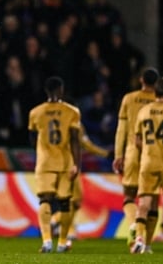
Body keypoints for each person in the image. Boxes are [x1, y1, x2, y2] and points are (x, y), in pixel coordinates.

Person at [130, 77, 163, 255]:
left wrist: (148, 149)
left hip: (148, 161)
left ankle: (141, 239)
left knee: (145, 201)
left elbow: (137, 140)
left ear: (155, 92)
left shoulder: (143, 111)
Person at [28, 76, 81, 253]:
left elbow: (32, 138)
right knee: (65, 203)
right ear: (61, 90)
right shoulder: (72, 112)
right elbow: (75, 139)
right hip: (65, 162)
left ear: (46, 91)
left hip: (44, 163)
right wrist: (77, 164)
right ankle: (63, 242)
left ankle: (46, 241)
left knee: (45, 200)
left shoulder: (36, 112)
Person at [112, 68, 159, 246]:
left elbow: (121, 129)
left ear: (141, 80)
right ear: (157, 83)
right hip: (154, 155)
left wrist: (118, 154)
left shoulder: (129, 99)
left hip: (132, 152)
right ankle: (144, 242)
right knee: (152, 200)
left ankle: (133, 225)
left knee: (129, 196)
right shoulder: (160, 102)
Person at [50, 126, 111, 247]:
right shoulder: (74, 123)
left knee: (70, 200)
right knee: (76, 200)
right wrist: (105, 153)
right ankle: (56, 219)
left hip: (53, 164)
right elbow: (86, 144)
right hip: (70, 165)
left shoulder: (54, 121)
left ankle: (68, 230)